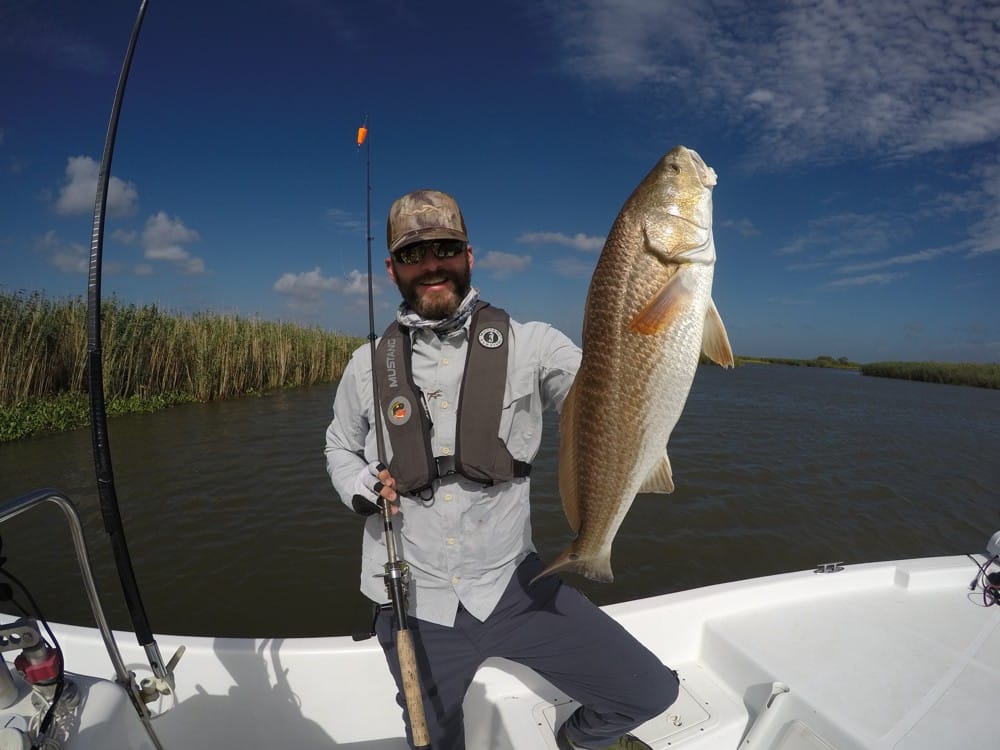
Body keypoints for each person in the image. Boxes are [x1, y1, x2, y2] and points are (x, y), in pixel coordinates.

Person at [324, 189, 679, 750]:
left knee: (652, 693)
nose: (432, 264)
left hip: (516, 586)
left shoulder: (535, 345)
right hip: (414, 601)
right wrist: (363, 486)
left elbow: (607, 397)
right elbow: (339, 447)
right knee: (434, 742)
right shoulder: (366, 365)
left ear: (469, 255)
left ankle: (574, 741)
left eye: (445, 248)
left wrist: (666, 309)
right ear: (392, 268)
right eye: (414, 254)